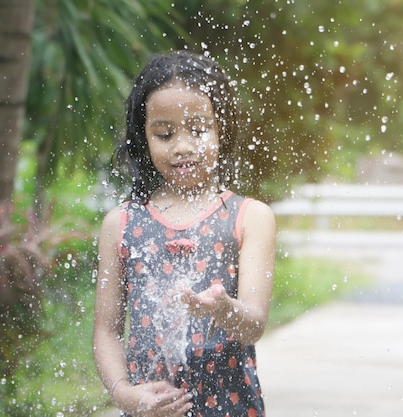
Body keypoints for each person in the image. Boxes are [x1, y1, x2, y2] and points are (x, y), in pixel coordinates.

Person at [93, 50, 276, 417]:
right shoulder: (122, 224)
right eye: (164, 133)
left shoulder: (249, 217)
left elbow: (253, 326)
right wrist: (124, 394)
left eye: (198, 129)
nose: (182, 147)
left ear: (221, 128)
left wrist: (224, 308)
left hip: (230, 407)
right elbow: (106, 332)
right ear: (142, 136)